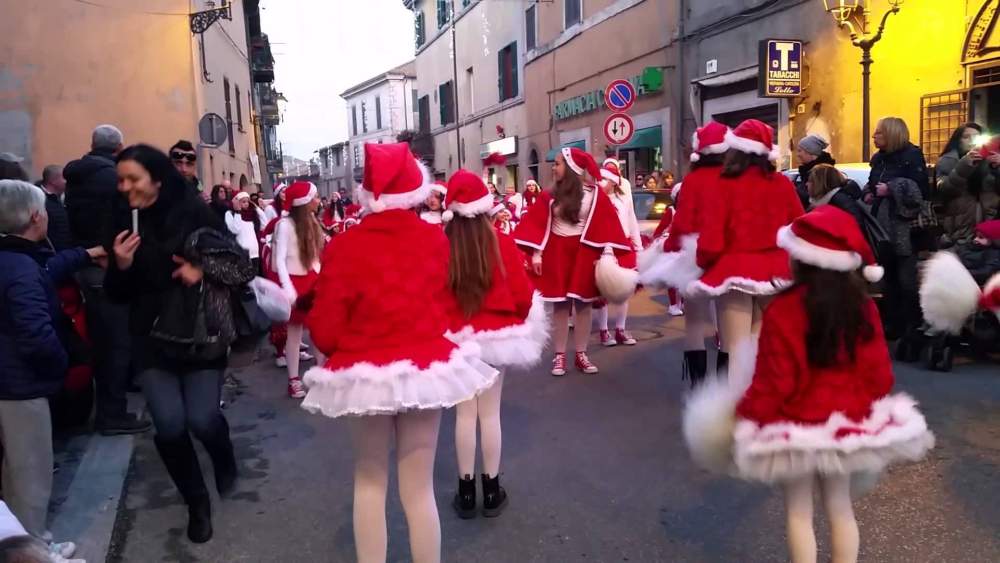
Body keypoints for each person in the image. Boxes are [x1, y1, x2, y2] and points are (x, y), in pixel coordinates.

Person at [685, 205, 934, 563]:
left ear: (799, 258)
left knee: (798, 513)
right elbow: (880, 375)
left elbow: (777, 380)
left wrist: (746, 414)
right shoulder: (862, 308)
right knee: (840, 507)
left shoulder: (785, 309)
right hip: (847, 424)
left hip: (795, 426)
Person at [300, 142, 498, 563]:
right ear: (414, 190)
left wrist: (345, 350)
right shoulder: (434, 241)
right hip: (424, 369)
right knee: (419, 488)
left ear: (367, 195)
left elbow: (324, 329)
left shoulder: (344, 246)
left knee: (369, 481)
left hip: (364, 372)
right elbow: (448, 308)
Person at [105, 144, 252, 543]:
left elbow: (238, 265)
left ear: (156, 179)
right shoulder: (123, 221)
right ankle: (197, 502)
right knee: (169, 426)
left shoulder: (195, 213)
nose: (124, 187)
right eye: (121, 179)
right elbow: (115, 294)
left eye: (132, 179)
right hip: (150, 339)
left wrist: (199, 269)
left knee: (202, 419)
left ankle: (223, 457)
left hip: (199, 334)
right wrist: (120, 266)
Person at [0, 180, 105, 561]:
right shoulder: (21, 267)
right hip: (20, 387)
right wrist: (62, 364)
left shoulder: (14, 258)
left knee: (13, 472)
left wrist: (86, 253)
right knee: (30, 476)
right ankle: (35, 550)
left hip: (9, 382)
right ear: (34, 218)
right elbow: (36, 333)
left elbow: (48, 267)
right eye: (43, 209)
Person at [438, 169, 546, 519]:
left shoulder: (442, 246)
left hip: (456, 342)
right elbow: (522, 297)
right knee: (490, 414)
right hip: (496, 341)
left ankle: (466, 493)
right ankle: (493, 489)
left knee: (463, 416)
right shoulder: (502, 243)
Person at [687, 119, 805, 379]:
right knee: (761, 347)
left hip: (734, 270)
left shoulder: (724, 184)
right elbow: (798, 226)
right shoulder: (782, 184)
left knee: (733, 350)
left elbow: (712, 236)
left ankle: (730, 411)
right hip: (776, 272)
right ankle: (763, 406)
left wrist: (704, 262)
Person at [514, 147, 634, 376]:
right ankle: (559, 357)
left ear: (571, 168)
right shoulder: (548, 194)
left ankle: (581, 354)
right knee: (559, 306)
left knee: (583, 306)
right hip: (557, 252)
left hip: (584, 253)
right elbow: (538, 223)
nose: (553, 167)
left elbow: (606, 224)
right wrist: (537, 254)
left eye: (558, 163)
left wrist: (606, 254)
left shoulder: (594, 193)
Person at [64, 124, 150, 436]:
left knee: (103, 339)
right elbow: (132, 223)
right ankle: (112, 414)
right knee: (116, 342)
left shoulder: (74, 177)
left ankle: (113, 401)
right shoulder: (115, 178)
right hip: (110, 265)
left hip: (84, 263)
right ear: (118, 148)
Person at [640, 121, 730, 386]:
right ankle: (726, 390)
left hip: (694, 257)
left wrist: (668, 249)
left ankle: (698, 386)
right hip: (728, 258)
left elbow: (682, 223)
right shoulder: (735, 178)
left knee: (693, 325)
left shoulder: (692, 180)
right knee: (726, 326)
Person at [865, 117, 928, 357]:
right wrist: (871, 192)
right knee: (888, 277)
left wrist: (891, 189)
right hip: (882, 224)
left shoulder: (912, 156)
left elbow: (920, 191)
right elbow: (873, 183)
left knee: (906, 279)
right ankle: (893, 324)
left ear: (891, 134)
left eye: (879, 133)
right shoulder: (879, 159)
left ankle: (913, 325)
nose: (874, 137)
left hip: (905, 226)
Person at [273, 181, 325, 399]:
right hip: (294, 282)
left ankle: (323, 375)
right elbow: (280, 261)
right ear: (304, 202)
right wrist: (290, 292)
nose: (318, 200)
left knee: (319, 331)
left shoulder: (312, 221)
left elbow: (314, 258)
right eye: (314, 197)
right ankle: (293, 380)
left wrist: (323, 278)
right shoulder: (283, 225)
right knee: (294, 333)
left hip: (313, 281)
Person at [595, 159, 642, 346]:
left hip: (623, 246)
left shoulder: (624, 199)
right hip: (603, 248)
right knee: (602, 291)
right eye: (600, 179)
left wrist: (638, 248)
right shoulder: (595, 200)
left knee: (625, 289)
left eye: (605, 180)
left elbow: (632, 222)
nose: (601, 183)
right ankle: (604, 331)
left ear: (614, 181)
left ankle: (620, 329)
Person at [935, 123, 1000, 247]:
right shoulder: (948, 161)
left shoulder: (990, 160)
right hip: (959, 231)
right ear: (958, 141)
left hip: (989, 231)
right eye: (966, 137)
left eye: (976, 137)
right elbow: (945, 189)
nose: (971, 141)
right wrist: (965, 164)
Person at [806, 164, 886, 262]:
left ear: (820, 183)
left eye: (810, 181)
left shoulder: (839, 201)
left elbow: (855, 230)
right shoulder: (821, 201)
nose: (806, 184)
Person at [794, 134, 836, 209]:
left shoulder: (824, 174)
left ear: (810, 152)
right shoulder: (804, 173)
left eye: (800, 151)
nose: (798, 155)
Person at [37, 165, 73, 251]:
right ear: (53, 181)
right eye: (64, 178)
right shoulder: (39, 200)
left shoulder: (66, 196)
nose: (67, 181)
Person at [225, 192, 261, 271]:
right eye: (243, 202)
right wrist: (238, 212)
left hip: (254, 252)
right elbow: (235, 230)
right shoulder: (230, 213)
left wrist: (256, 207)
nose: (246, 204)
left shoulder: (252, 214)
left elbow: (265, 222)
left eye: (248, 201)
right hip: (242, 253)